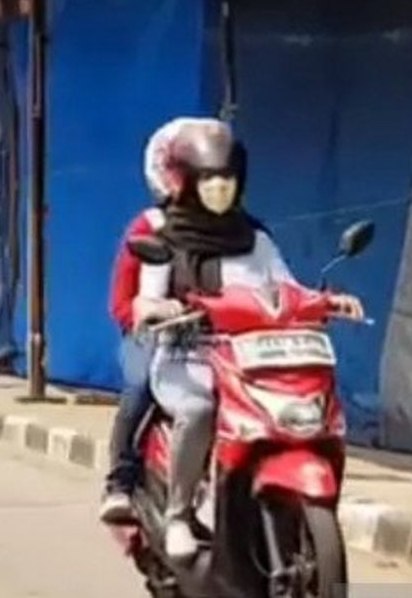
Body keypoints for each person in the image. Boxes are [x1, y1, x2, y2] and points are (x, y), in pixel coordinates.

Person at [136, 119, 364, 559]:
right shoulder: (166, 237)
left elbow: (285, 288)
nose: (219, 190)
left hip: (246, 358)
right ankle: (179, 515)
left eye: (226, 181)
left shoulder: (254, 238)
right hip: (188, 355)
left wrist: (329, 301)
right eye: (209, 181)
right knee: (200, 410)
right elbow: (146, 301)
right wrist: (161, 309)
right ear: (188, 183)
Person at [99, 118, 220, 523]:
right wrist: (151, 312)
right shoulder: (150, 227)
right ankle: (120, 482)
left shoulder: (240, 233)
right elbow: (124, 300)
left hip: (215, 337)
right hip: (153, 334)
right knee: (139, 386)